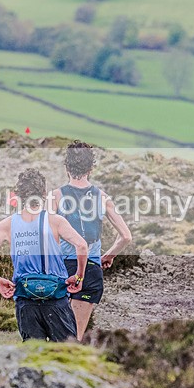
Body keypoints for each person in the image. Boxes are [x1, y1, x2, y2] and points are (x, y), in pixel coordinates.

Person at [0, 168, 88, 342]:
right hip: (56, 299)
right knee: (68, 356)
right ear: (43, 193)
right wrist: (79, 277)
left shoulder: (7, 224)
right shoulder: (55, 221)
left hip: (26, 301)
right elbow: (81, 246)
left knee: (33, 358)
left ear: (18, 195)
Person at [48, 141, 132, 340]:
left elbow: (47, 235)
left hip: (62, 269)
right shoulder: (102, 197)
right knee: (75, 338)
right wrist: (107, 256)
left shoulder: (55, 196)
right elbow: (126, 236)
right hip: (91, 270)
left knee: (55, 336)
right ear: (91, 168)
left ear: (67, 167)